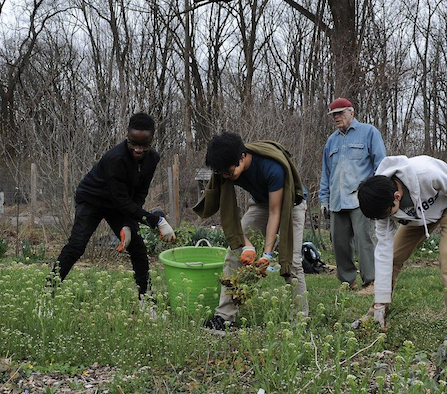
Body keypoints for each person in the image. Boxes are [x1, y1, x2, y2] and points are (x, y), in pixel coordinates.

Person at [355, 155, 447, 341]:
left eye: (389, 213)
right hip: (419, 219)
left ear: (396, 196)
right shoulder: (381, 202)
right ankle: (376, 314)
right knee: (392, 258)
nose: (387, 218)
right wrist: (380, 305)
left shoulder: (426, 173)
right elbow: (383, 253)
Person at [48, 112, 176, 301]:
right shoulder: (115, 159)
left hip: (120, 204)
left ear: (152, 139)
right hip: (93, 199)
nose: (138, 150)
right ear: (127, 136)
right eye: (133, 143)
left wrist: (128, 223)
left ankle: (146, 299)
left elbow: (139, 194)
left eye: (144, 145)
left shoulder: (152, 159)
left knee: (138, 249)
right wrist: (156, 221)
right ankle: (47, 294)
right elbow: (122, 200)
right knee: (76, 246)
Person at [194, 132, 308, 334]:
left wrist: (267, 254)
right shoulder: (224, 168)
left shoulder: (272, 167)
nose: (227, 177)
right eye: (224, 175)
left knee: (293, 261)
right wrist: (246, 244)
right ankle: (224, 317)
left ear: (242, 157)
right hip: (260, 202)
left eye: (230, 172)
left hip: (292, 203)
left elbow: (276, 212)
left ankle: (300, 322)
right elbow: (229, 217)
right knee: (233, 252)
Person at [319, 98, 386, 294]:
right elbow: (326, 173)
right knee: (339, 243)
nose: (337, 117)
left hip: (361, 200)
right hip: (337, 201)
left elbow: (381, 165)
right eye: (334, 115)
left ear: (351, 112)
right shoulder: (331, 141)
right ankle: (348, 282)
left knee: (364, 240)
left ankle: (371, 282)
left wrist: (375, 194)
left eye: (340, 113)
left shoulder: (369, 133)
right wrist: (324, 200)